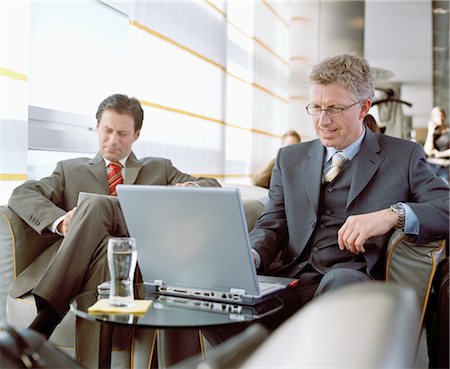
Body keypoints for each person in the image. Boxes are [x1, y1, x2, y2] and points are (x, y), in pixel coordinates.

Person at [204, 53, 449, 345]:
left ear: (363, 108)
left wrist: (392, 214)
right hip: (289, 282)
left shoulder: (403, 156)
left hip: (351, 280)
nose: (323, 121)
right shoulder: (289, 158)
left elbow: (445, 207)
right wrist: (252, 255)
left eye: (334, 108)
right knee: (214, 299)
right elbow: (272, 225)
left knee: (339, 282)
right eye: (316, 108)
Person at [7, 93, 220, 366]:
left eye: (122, 133)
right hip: (89, 266)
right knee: (103, 245)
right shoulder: (69, 170)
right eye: (107, 131)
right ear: (97, 127)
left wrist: (191, 189)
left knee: (97, 206)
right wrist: (61, 222)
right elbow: (23, 194)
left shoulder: (160, 168)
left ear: (137, 134)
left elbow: (211, 186)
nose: (113, 140)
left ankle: (43, 323)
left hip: (137, 264)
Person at [424, 106, 449, 182]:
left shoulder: (448, 130)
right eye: (437, 116)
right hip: (431, 166)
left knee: (445, 190)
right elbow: (428, 151)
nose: (440, 118)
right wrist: (430, 131)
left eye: (441, 115)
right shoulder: (432, 131)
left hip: (445, 167)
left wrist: (439, 154)